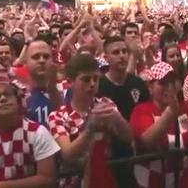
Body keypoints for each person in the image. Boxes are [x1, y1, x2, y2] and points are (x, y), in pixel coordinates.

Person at [48, 54, 132, 187]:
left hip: (104, 180)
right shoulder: (58, 116)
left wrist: (117, 119)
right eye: (86, 79)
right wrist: (90, 130)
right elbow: (68, 154)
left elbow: (128, 137)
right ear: (70, 82)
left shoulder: (106, 104)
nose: (92, 84)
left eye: (96, 79)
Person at [130, 62, 188, 188]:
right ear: (150, 87)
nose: (169, 87)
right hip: (150, 183)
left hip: (183, 182)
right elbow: (147, 140)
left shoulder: (187, 109)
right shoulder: (141, 110)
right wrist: (170, 112)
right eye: (163, 83)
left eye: (172, 82)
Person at [0, 71, 60, 186]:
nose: (3, 99)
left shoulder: (37, 132)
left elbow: (48, 179)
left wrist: (0, 186)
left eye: (8, 94)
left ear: (18, 100)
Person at [98, 35, 149, 187]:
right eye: (116, 52)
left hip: (137, 152)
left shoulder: (138, 83)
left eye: (124, 51)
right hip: (110, 154)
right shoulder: (99, 86)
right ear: (106, 57)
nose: (122, 56)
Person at [26, 40, 62, 126]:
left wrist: (53, 89)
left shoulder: (66, 89)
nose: (42, 60)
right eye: (36, 57)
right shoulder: (19, 94)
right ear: (26, 61)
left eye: (46, 57)